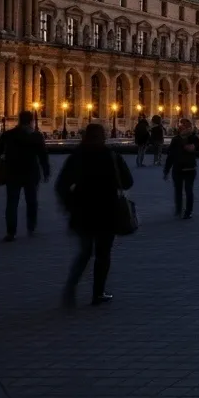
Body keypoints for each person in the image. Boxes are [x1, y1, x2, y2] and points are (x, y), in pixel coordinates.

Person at [55, 124, 133, 307]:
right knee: (103, 254)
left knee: (84, 252)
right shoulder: (112, 156)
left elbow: (61, 185)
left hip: (83, 211)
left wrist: (69, 205)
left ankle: (71, 286)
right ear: (103, 137)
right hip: (107, 211)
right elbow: (128, 182)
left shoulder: (77, 156)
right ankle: (98, 294)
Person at [0, 111, 51, 242]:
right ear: (31, 121)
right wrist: (46, 171)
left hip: (12, 173)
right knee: (32, 202)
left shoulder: (8, 135)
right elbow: (43, 156)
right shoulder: (36, 136)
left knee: (12, 203)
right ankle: (31, 227)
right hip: (31, 174)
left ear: (19, 121)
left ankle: (11, 232)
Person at [163, 118, 199, 219]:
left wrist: (193, 151)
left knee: (188, 190)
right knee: (178, 190)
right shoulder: (176, 139)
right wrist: (166, 170)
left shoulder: (194, 139)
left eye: (186, 126)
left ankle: (188, 211)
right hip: (178, 168)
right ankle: (179, 209)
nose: (183, 127)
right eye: (182, 125)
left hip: (189, 169)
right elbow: (171, 155)